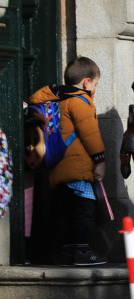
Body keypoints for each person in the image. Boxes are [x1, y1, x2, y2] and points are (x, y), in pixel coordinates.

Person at [28, 57, 107, 265]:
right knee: (84, 211)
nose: (94, 89)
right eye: (95, 84)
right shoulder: (81, 101)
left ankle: (67, 252)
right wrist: (100, 159)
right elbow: (90, 133)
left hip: (58, 167)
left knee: (65, 212)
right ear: (87, 82)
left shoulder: (56, 100)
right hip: (78, 168)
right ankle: (82, 251)